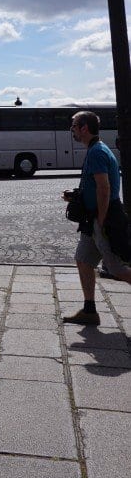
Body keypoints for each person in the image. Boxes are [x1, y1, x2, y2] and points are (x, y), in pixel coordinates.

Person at [62, 110, 131, 325]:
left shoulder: (97, 153)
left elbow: (104, 188)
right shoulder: (95, 149)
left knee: (117, 267)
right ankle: (90, 310)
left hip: (104, 218)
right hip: (93, 218)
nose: (71, 129)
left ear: (84, 128)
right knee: (84, 260)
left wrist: (100, 221)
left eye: (74, 125)